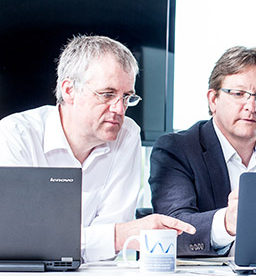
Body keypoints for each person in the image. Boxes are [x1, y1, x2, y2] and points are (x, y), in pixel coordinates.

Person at [0, 35, 195, 263]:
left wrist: (113, 237)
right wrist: (119, 235)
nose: (120, 109)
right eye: (107, 94)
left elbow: (108, 247)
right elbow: (22, 241)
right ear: (69, 90)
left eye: (126, 97)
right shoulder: (15, 135)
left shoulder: (127, 134)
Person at [149, 46, 256, 256]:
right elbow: (172, 228)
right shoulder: (177, 149)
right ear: (213, 99)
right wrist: (227, 223)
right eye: (239, 94)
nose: (252, 106)